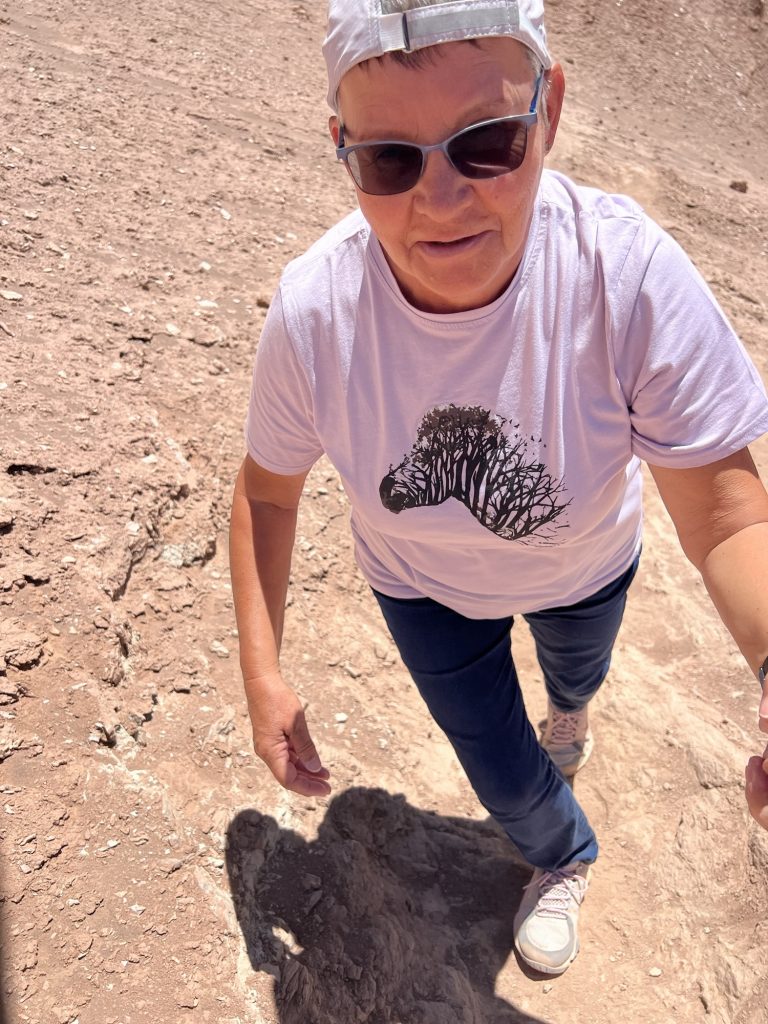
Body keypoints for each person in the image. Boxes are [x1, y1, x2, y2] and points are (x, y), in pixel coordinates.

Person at [229, 0, 768, 976]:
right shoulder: (316, 315)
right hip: (422, 593)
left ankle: (571, 711)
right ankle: (563, 853)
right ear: (341, 145)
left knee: (576, 676)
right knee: (505, 771)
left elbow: (728, 516)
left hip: (587, 569)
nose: (440, 201)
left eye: (487, 144)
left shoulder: (626, 278)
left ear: (548, 109)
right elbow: (268, 492)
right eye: (390, 160)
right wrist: (263, 671)